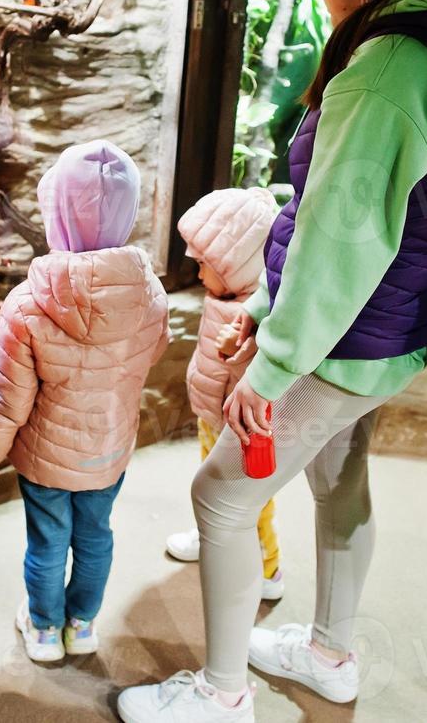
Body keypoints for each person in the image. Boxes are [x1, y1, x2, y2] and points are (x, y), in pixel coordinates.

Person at [117, 0, 427, 723]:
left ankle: (222, 692)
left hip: (351, 336)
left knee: (221, 495)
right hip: (390, 327)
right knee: (338, 478)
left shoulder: (387, 65)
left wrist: (271, 367)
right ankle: (328, 653)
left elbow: (341, 239)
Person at [0, 140, 170, 662]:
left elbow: (8, 397)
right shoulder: (150, 294)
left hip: (46, 459)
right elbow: (152, 354)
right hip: (109, 450)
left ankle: (43, 628)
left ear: (55, 211)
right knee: (97, 534)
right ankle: (81, 624)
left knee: (48, 540)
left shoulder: (28, 302)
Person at [163, 187, 284, 606]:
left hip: (243, 430)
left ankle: (268, 567)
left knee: (252, 500)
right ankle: (210, 535)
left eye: (203, 265)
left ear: (237, 263)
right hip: (211, 416)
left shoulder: (259, 314)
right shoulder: (224, 296)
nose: (197, 275)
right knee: (210, 483)